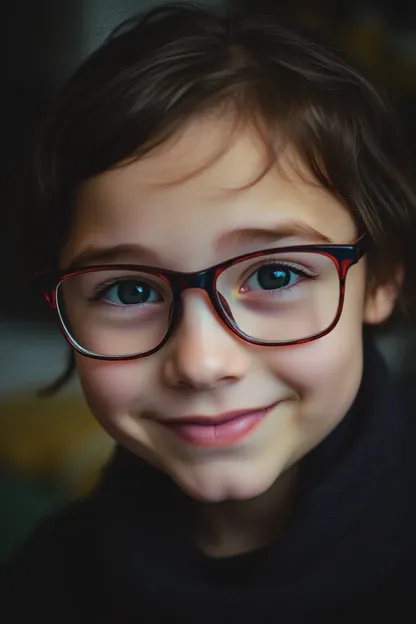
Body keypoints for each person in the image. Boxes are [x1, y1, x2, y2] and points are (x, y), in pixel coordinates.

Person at [3, 2, 416, 622]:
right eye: (129, 292)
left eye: (276, 275)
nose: (201, 363)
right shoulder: (42, 585)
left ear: (380, 279)